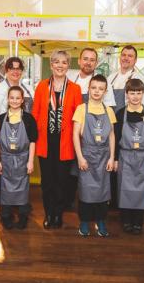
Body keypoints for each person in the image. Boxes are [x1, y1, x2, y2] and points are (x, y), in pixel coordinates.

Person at [31, 50, 83, 229]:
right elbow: (36, 113)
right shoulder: (42, 86)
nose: (60, 65)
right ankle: (48, 213)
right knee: (47, 181)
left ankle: (58, 214)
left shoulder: (75, 89)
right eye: (56, 62)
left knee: (62, 181)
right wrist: (34, 136)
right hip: (45, 141)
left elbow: (78, 116)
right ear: (51, 64)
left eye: (64, 62)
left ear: (68, 66)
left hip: (65, 142)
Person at [67, 48, 117, 211]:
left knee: (100, 182)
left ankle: (97, 213)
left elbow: (110, 129)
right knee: (76, 176)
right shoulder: (70, 80)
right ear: (80, 60)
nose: (88, 62)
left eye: (92, 59)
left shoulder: (103, 86)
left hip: (99, 142)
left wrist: (111, 156)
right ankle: (76, 208)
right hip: (78, 139)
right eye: (85, 59)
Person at [72, 75, 117, 237]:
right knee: (85, 191)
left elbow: (112, 135)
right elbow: (75, 135)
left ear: (105, 91)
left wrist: (112, 157)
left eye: (101, 89)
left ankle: (101, 221)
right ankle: (84, 221)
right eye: (94, 88)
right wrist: (80, 157)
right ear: (89, 89)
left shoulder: (109, 111)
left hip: (104, 156)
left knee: (103, 191)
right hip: (87, 155)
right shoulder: (81, 109)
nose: (97, 91)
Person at [114, 79, 144, 235]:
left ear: (142, 94)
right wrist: (115, 159)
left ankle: (138, 222)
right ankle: (126, 220)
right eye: (132, 93)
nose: (135, 96)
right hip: (125, 156)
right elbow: (114, 137)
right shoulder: (120, 114)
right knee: (125, 189)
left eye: (138, 93)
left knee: (141, 190)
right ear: (126, 94)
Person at [0, 86, 38, 230]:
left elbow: (32, 141)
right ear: (7, 99)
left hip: (23, 159)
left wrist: (30, 161)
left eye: (17, 98)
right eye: (11, 98)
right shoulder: (1, 119)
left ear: (22, 100)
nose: (14, 101)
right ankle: (6, 216)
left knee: (22, 189)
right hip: (5, 159)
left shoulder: (28, 118)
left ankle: (23, 216)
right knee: (5, 189)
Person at [106, 45, 143, 208]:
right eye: (124, 55)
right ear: (120, 57)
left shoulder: (138, 79)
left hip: (130, 125)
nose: (126, 58)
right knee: (112, 160)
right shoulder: (111, 77)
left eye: (130, 56)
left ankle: (127, 200)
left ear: (135, 60)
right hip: (112, 124)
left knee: (125, 164)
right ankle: (113, 198)